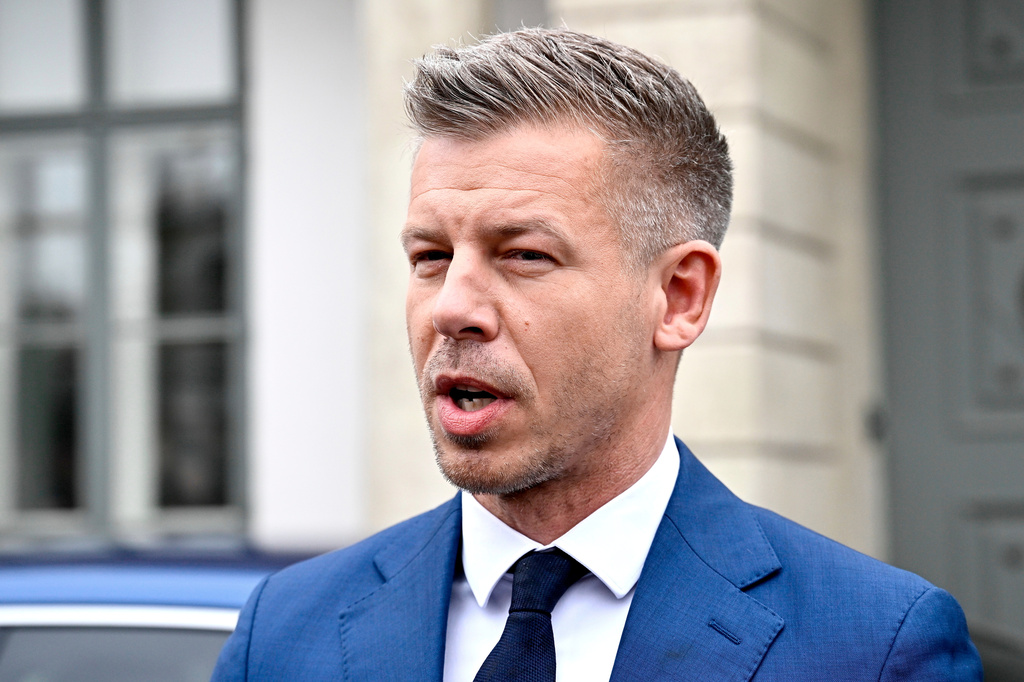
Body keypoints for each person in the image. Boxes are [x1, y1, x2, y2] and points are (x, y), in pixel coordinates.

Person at [212, 28, 982, 681]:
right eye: (430, 256)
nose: (450, 307)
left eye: (524, 255)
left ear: (678, 297)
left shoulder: (874, 647)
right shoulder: (283, 632)